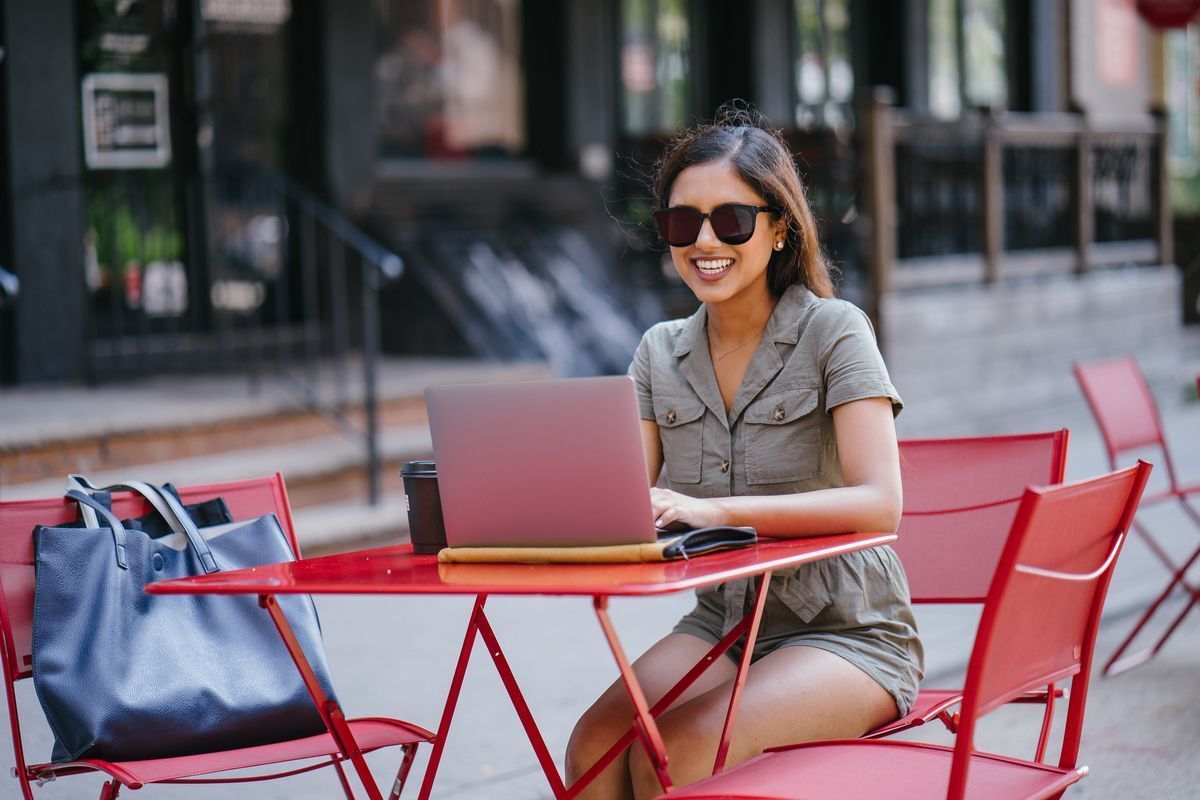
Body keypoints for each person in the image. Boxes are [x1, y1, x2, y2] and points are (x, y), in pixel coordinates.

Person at [565, 103, 923, 800]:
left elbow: (882, 506)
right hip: (723, 624)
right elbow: (628, 512)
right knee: (596, 746)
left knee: (688, 749)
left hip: (849, 634)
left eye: (731, 220)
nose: (705, 241)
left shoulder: (834, 331)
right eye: (680, 222)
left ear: (779, 225)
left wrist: (708, 509)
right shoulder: (658, 353)